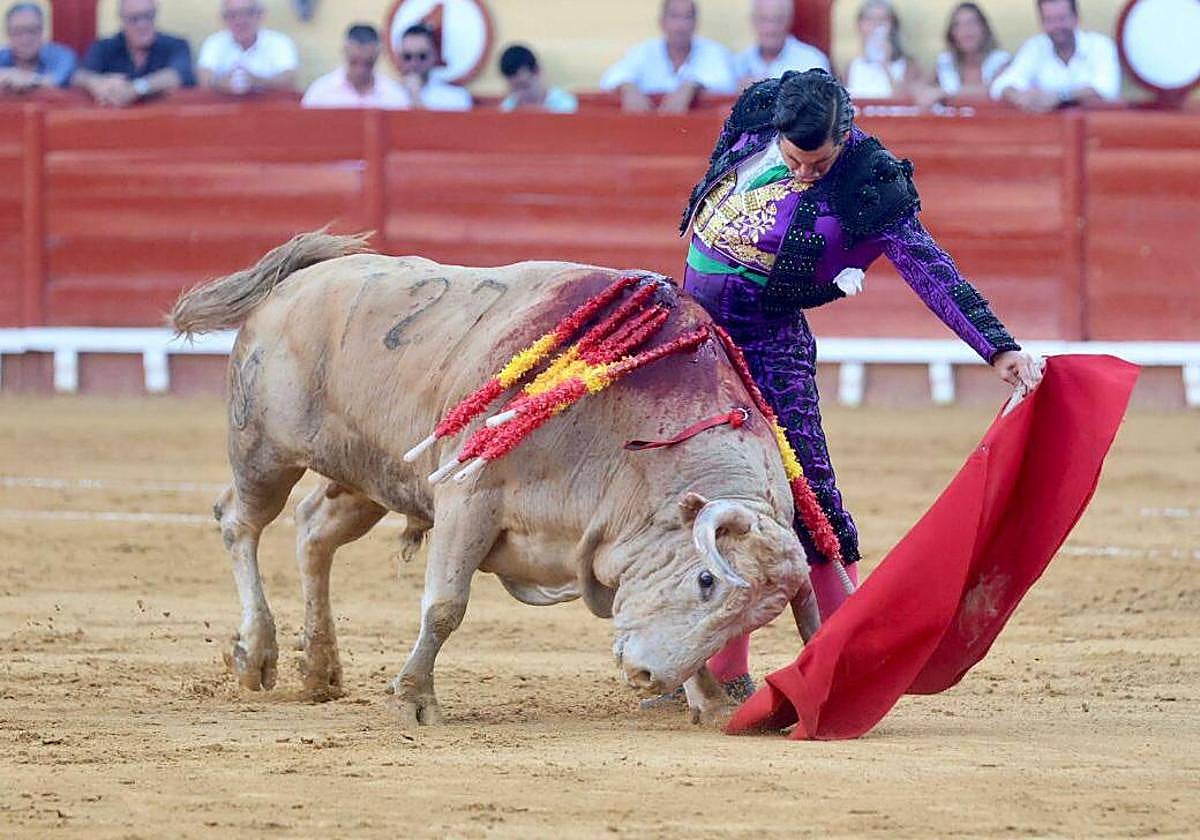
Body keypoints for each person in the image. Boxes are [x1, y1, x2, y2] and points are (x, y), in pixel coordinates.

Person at [679, 69, 1043, 699]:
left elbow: (930, 270)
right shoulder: (764, 110)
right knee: (708, 489)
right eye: (794, 159)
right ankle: (718, 668)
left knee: (809, 496)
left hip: (768, 344)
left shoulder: (868, 182)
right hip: (698, 339)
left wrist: (997, 346)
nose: (803, 174)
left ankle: (843, 656)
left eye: (817, 163)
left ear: (843, 135)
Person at [599, 0, 737, 114]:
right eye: (674, 16)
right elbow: (610, 78)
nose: (680, 26)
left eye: (687, 17)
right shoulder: (644, 51)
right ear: (662, 21)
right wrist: (627, 87)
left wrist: (692, 87)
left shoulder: (713, 51)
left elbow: (726, 82)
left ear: (696, 23)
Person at [990, 0, 1120, 111]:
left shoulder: (1100, 45)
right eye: (1049, 20)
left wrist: (1059, 97)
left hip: (1096, 130)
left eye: (1062, 18)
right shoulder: (1035, 46)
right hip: (1046, 132)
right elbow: (1002, 84)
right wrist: (1019, 97)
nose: (1056, 26)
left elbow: (1106, 88)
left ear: (1076, 18)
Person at [73, 0, 194, 107]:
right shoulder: (105, 47)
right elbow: (79, 75)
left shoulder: (177, 45)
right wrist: (97, 84)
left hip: (166, 124)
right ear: (122, 20)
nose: (142, 24)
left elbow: (178, 74)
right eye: (134, 19)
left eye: (148, 16)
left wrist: (137, 88)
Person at [197, 0, 299, 95]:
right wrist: (220, 83)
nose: (240, 21)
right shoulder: (214, 42)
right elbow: (204, 79)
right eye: (232, 15)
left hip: (270, 109)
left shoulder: (279, 42)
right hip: (225, 108)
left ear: (260, 15)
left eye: (247, 13)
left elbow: (289, 79)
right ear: (224, 19)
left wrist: (258, 82)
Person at [301, 23, 410, 109]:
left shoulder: (394, 95)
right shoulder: (320, 93)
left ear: (377, 55)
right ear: (344, 52)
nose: (360, 70)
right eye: (354, 62)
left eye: (367, 63)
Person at [733, 0, 829, 90]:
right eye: (764, 20)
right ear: (753, 20)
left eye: (777, 20)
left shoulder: (812, 61)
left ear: (789, 20)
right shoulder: (738, 64)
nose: (770, 29)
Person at [843, 0, 927, 100]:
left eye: (882, 20)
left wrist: (886, 65)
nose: (875, 26)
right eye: (870, 20)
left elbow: (909, 101)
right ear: (860, 26)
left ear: (893, 26)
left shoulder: (909, 66)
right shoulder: (851, 68)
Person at [935, 3, 1010, 99]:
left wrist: (945, 93)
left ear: (984, 28)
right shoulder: (945, 62)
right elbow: (922, 87)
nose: (966, 30)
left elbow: (996, 88)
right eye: (958, 25)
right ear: (951, 33)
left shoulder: (1001, 60)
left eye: (972, 23)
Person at [395, 22, 472, 111]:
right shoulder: (389, 94)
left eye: (422, 56)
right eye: (407, 57)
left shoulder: (455, 98)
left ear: (434, 56)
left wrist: (416, 99)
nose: (414, 63)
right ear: (399, 58)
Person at [0, 2, 76, 92]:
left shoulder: (62, 56)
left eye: (32, 31)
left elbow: (57, 80)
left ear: (42, 32)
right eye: (18, 32)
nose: (25, 39)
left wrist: (26, 79)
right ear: (8, 35)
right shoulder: (2, 55)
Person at [497, 44, 577, 114]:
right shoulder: (507, 107)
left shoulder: (564, 104)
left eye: (524, 86)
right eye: (514, 89)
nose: (521, 94)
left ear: (538, 72)